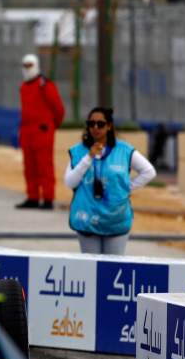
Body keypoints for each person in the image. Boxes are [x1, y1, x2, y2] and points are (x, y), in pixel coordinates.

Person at [66, 107, 156, 255]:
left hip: (115, 220)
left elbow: (149, 172)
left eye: (100, 124)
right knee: (91, 269)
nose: (95, 127)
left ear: (109, 126)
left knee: (112, 270)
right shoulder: (78, 151)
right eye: (91, 123)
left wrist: (127, 188)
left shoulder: (124, 150)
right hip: (87, 219)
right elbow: (70, 182)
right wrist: (88, 157)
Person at [17, 53, 66, 209]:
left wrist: (51, 126)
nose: (27, 69)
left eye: (30, 65)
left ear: (36, 65)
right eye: (25, 66)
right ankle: (32, 197)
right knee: (29, 166)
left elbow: (58, 108)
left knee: (44, 166)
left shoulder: (44, 85)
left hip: (42, 131)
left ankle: (48, 198)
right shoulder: (24, 86)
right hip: (27, 130)